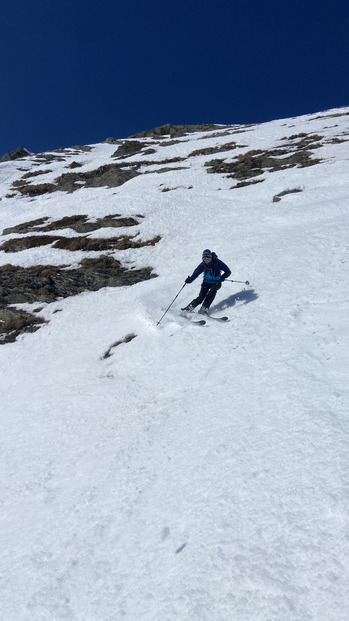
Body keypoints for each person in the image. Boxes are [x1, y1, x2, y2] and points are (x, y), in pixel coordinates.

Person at [181, 249, 231, 315]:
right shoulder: (203, 265)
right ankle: (188, 308)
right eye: (204, 258)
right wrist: (190, 280)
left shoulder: (218, 263)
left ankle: (203, 309)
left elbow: (228, 271)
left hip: (216, 282)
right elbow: (196, 273)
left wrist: (222, 277)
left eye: (207, 258)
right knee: (200, 298)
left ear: (210, 257)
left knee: (211, 294)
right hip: (206, 282)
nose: (205, 259)